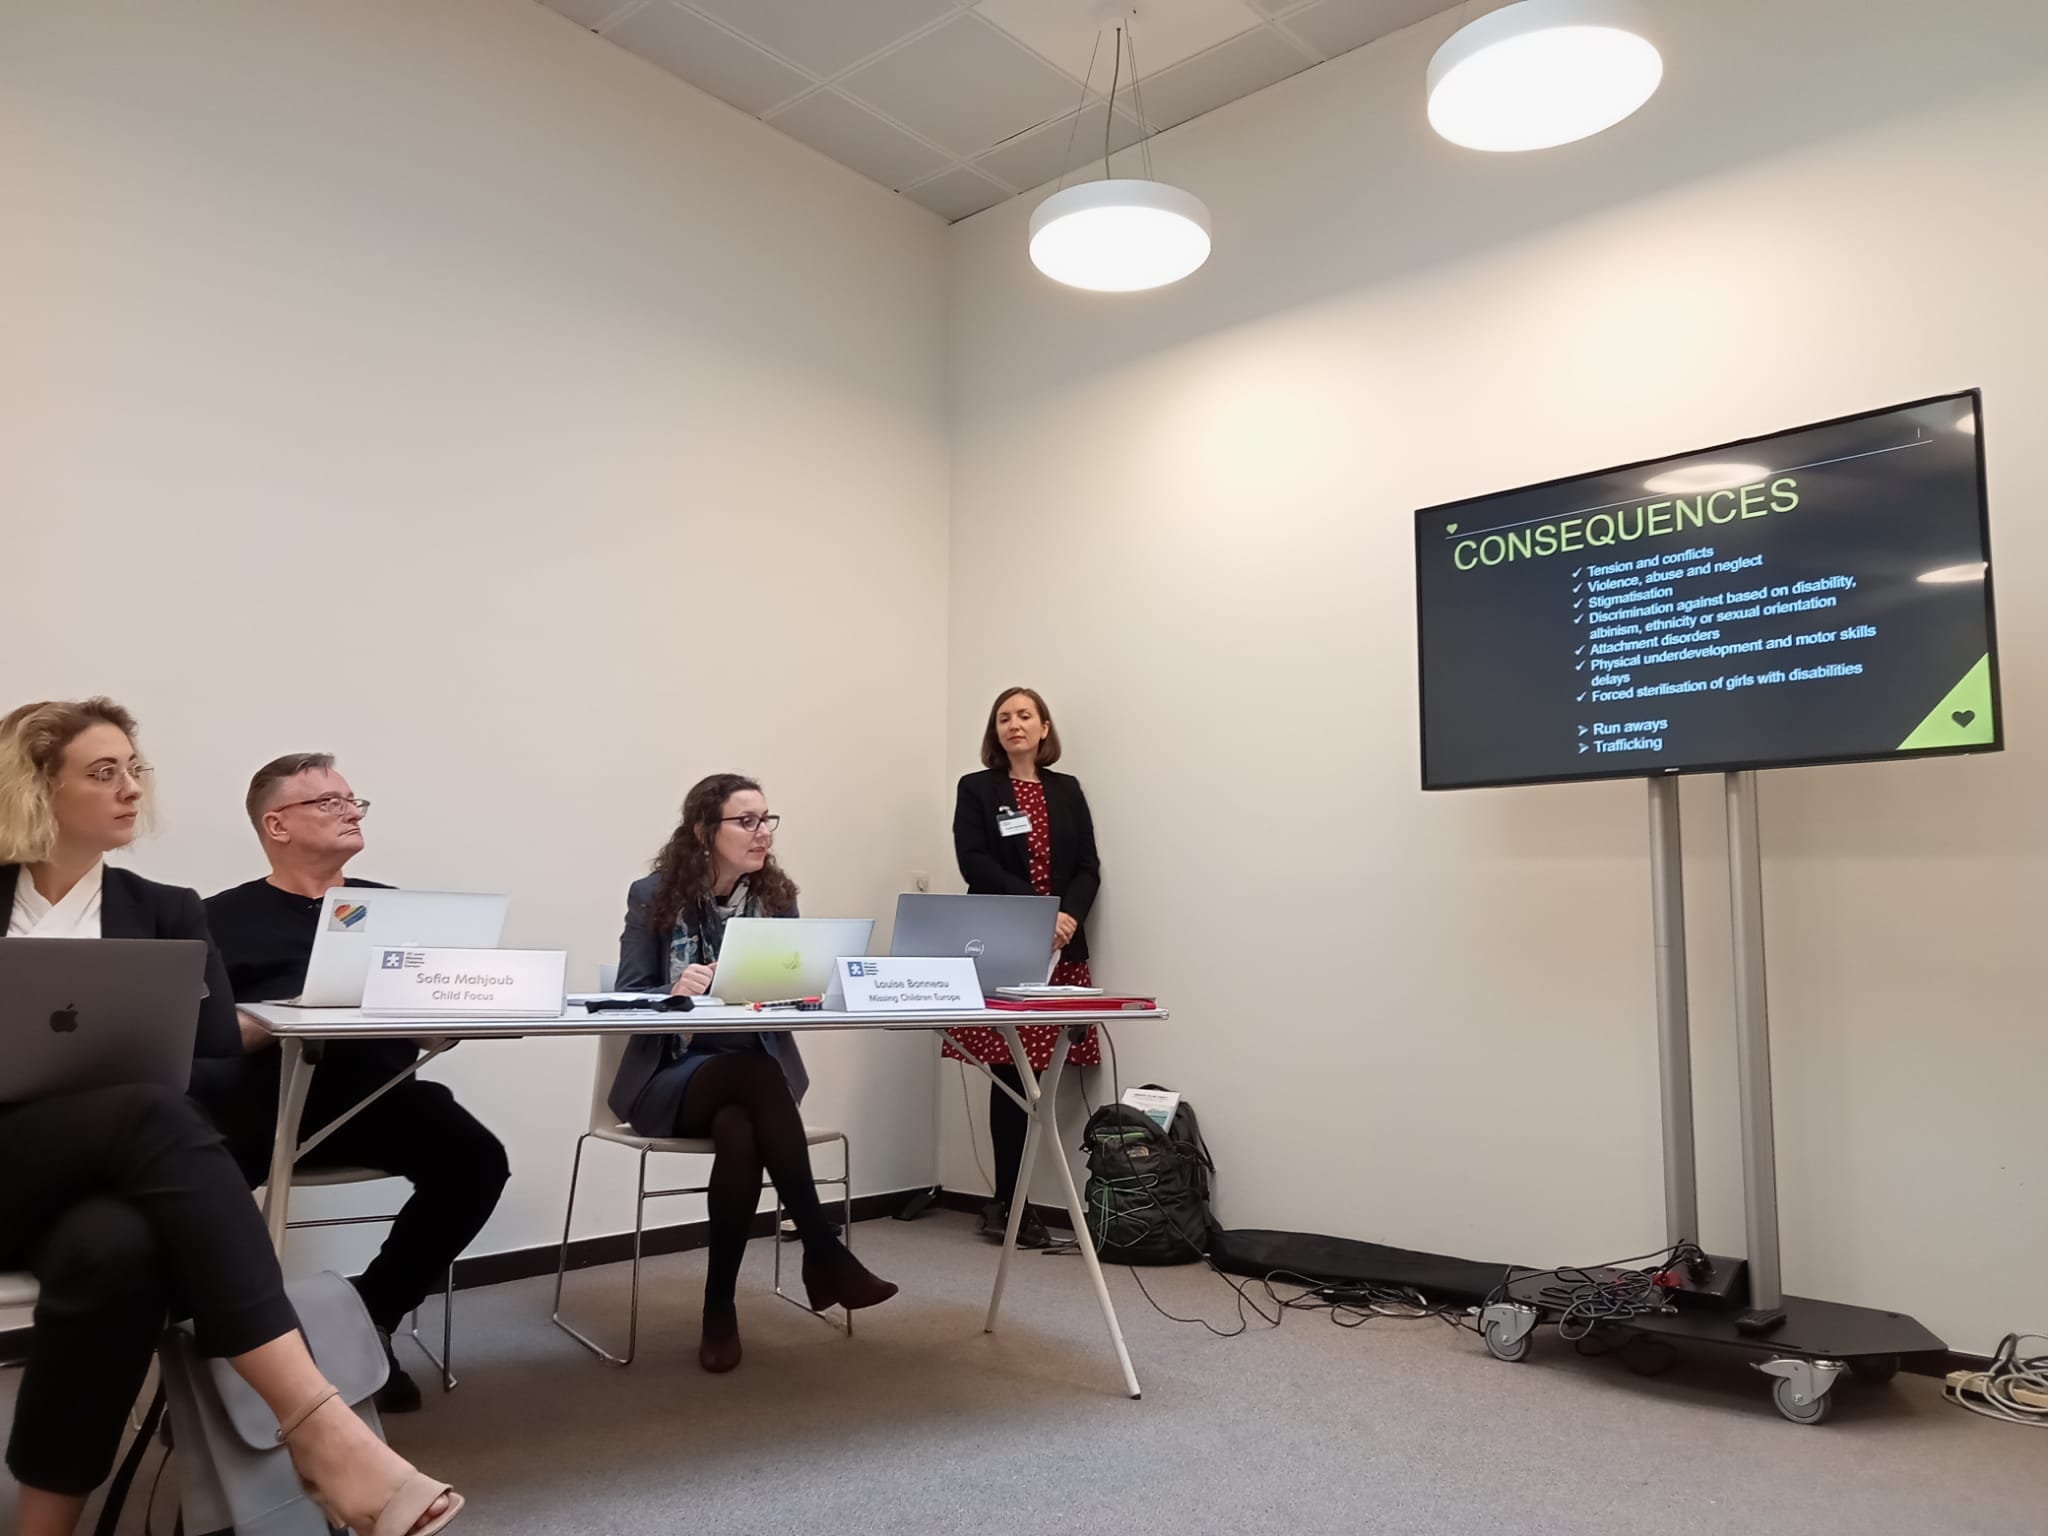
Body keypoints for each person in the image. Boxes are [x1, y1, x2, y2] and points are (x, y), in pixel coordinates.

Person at [0, 697, 461, 1536]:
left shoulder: (166, 910)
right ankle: (319, 1426)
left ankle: (43, 1528)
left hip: (98, 1180)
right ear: (34, 787)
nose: (131, 790)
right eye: (105, 773)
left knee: (118, 1253)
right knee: (148, 1112)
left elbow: (213, 1061)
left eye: (134, 770)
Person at [202, 753, 510, 1414]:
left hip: (376, 1099)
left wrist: (445, 1015)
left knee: (476, 1159)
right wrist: (290, 1012)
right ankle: (257, 1353)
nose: (349, 810)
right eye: (327, 802)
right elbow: (201, 1033)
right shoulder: (216, 919)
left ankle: (370, 1314)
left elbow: (427, 1013)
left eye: (352, 800)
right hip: (259, 1105)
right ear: (276, 824)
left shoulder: (391, 910)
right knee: (196, 1192)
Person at [610, 773, 897, 1373]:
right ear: (703, 831)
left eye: (767, 820)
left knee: (742, 1124)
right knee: (751, 1077)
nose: (761, 833)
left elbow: (793, 986)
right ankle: (822, 1249)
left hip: (751, 1083)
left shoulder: (777, 898)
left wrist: (804, 990)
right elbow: (626, 997)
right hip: (671, 1075)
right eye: (746, 821)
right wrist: (672, 989)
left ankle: (720, 1308)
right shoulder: (653, 894)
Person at [949, 687, 1102, 1249]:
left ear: (1043, 728)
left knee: (1046, 1076)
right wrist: (1037, 912)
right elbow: (974, 861)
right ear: (996, 731)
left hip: (1063, 948)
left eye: (1024, 716)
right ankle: (1006, 1204)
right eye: (1004, 717)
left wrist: (1067, 915)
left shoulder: (1067, 791)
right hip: (1005, 941)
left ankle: (1029, 1203)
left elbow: (1088, 866)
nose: (1014, 725)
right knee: (1011, 1071)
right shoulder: (977, 788)